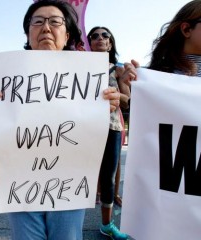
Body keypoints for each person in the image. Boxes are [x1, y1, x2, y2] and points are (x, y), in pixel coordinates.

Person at [0, 1, 123, 239]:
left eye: (55, 21)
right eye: (38, 21)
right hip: (22, 177)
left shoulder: (88, 78)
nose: (46, 28)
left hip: (69, 178)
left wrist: (107, 102)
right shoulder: (11, 75)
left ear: (67, 34)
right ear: (28, 33)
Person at [87, 26, 129, 239]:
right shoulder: (80, 68)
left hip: (111, 126)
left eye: (105, 35)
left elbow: (128, 100)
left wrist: (116, 94)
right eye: (94, 36)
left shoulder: (119, 70)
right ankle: (68, 220)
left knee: (108, 177)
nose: (100, 38)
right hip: (84, 127)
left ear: (110, 43)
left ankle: (107, 224)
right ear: (89, 43)